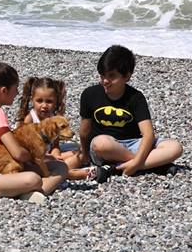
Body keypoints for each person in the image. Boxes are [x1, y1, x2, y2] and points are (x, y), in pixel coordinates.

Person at [0, 61, 66, 203]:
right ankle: (37, 192)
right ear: (4, 90)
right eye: (15, 89)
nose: (17, 93)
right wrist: (38, 157)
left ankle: (20, 189)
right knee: (35, 178)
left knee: (58, 166)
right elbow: (18, 153)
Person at [78, 45, 182, 182]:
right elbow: (85, 131)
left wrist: (137, 160)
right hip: (106, 147)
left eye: (111, 76)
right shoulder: (90, 94)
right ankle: (154, 166)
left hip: (133, 143)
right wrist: (84, 155)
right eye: (102, 75)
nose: (105, 81)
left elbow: (148, 134)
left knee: (175, 147)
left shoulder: (135, 97)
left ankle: (118, 167)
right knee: (101, 143)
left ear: (127, 76)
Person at [15, 76, 96, 181]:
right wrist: (50, 157)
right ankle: (70, 173)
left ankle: (62, 169)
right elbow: (26, 149)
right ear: (32, 100)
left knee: (80, 151)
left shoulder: (54, 117)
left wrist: (55, 153)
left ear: (56, 102)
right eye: (39, 101)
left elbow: (55, 144)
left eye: (49, 101)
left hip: (48, 153)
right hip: (34, 158)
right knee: (58, 161)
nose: (44, 105)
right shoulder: (29, 119)